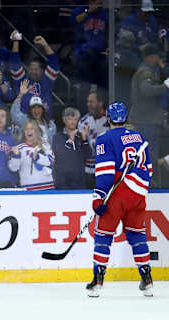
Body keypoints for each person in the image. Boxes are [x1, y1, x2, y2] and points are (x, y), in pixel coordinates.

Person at [87, 102, 153, 298]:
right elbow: (148, 170)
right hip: (138, 195)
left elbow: (106, 172)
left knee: (103, 236)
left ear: (108, 118)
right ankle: (147, 279)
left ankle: (97, 281)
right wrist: (137, 190)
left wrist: (99, 196)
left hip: (116, 196)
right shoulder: (139, 138)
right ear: (125, 118)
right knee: (137, 235)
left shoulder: (104, 138)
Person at [129, 45, 169, 187]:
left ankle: (147, 184)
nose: (159, 59)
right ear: (151, 57)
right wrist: (166, 86)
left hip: (146, 120)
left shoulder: (148, 71)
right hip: (145, 122)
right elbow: (146, 91)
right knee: (148, 156)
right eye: (157, 56)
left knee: (147, 155)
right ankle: (148, 185)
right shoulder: (145, 71)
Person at [9, 32, 59, 117]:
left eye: (36, 69)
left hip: (45, 123)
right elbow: (15, 63)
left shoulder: (47, 80)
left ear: (42, 70)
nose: (33, 72)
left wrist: (44, 44)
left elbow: (54, 63)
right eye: (31, 69)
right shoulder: (22, 81)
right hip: (25, 124)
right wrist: (15, 41)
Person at [9, 120, 55, 190]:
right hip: (29, 189)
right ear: (24, 132)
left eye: (32, 129)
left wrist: (38, 157)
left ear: (36, 131)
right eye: (26, 129)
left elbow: (51, 161)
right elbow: (13, 168)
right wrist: (16, 156)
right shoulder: (19, 148)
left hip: (48, 187)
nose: (29, 131)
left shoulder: (45, 145)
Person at [52, 107, 91, 189]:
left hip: (79, 181)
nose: (73, 122)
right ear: (64, 120)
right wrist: (71, 138)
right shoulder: (57, 137)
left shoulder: (80, 137)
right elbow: (61, 156)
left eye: (75, 119)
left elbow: (88, 155)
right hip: (63, 181)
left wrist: (84, 138)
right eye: (70, 119)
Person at [79, 90, 109, 187]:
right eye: (88, 102)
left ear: (100, 103)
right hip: (90, 170)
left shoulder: (111, 119)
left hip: (108, 169)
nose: (88, 104)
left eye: (92, 102)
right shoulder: (83, 122)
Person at [11, 80, 57, 145]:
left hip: (46, 154)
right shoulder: (25, 120)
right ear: (30, 110)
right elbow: (14, 113)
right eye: (33, 107)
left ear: (43, 109)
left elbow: (53, 145)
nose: (36, 110)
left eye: (39, 107)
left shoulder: (51, 125)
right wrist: (20, 95)